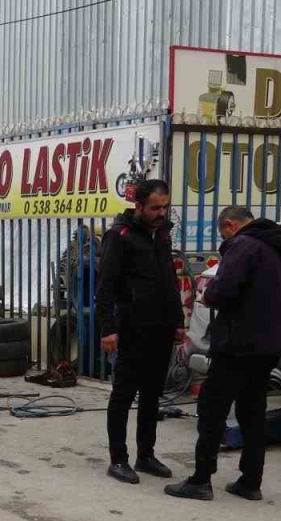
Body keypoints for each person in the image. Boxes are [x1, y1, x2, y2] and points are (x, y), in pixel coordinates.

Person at [164, 207, 281, 502]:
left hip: (238, 342)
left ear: (230, 225)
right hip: (271, 345)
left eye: (223, 234)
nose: (224, 239)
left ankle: (201, 479)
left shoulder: (244, 245)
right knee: (253, 410)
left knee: (212, 409)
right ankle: (251, 480)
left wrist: (209, 294)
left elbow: (223, 290)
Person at [95, 179, 186, 484]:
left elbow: (169, 280)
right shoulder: (119, 237)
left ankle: (145, 455)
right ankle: (118, 459)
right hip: (132, 328)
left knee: (152, 395)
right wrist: (108, 329)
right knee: (123, 394)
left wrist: (177, 322)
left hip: (161, 328)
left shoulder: (161, 235)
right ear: (139, 206)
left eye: (164, 207)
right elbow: (105, 286)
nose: (161, 213)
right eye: (155, 207)